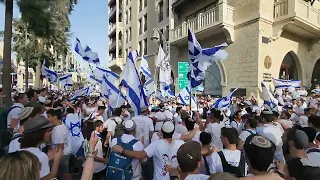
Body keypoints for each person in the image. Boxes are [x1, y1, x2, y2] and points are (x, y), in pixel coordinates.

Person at [112, 121, 185, 180]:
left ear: (162, 131)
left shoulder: (156, 145)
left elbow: (140, 155)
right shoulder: (181, 144)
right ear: (173, 132)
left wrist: (122, 150)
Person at [46, 109, 72, 180]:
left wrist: (54, 157)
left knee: (63, 172)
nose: (47, 119)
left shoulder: (58, 130)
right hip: (67, 152)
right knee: (65, 171)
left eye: (49, 116)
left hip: (62, 154)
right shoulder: (60, 125)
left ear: (55, 117)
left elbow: (60, 147)